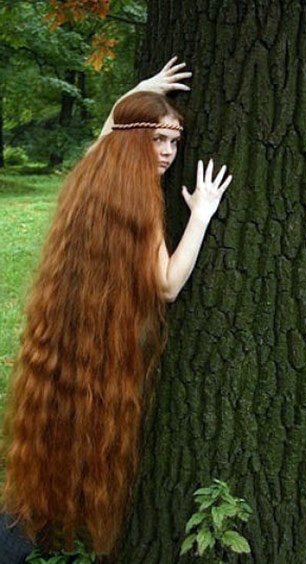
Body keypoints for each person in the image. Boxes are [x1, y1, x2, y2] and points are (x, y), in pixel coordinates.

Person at [0, 56, 232, 559]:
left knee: (46, 454)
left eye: (174, 141)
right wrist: (202, 214)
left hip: (64, 338)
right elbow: (167, 286)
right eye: (158, 140)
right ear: (134, 140)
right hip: (101, 350)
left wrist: (138, 93)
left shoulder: (90, 178)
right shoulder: (142, 205)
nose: (169, 152)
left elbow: (110, 132)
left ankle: (24, 528)